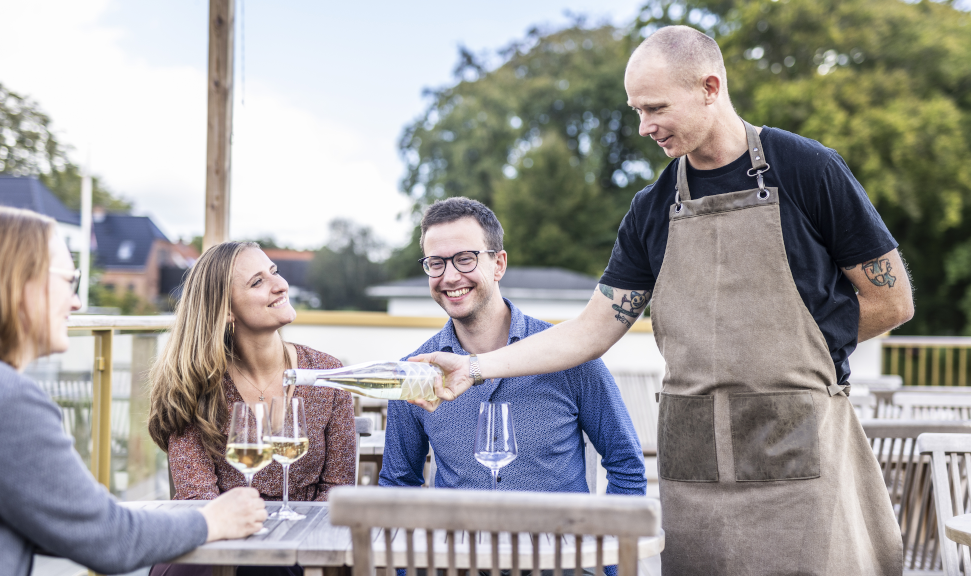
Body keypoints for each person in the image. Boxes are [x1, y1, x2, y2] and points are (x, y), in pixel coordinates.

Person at [411, 26, 915, 576]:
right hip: (695, 463)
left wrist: (798, 356)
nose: (644, 126)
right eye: (636, 110)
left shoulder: (806, 170)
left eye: (655, 108)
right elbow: (591, 330)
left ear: (709, 86)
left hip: (798, 446)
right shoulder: (653, 209)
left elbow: (891, 301)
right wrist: (477, 368)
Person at [0, 206, 266, 576]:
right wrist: (212, 521)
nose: (77, 302)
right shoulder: (11, 400)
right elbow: (108, 539)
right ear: (21, 282)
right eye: (69, 281)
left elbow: (67, 526)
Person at [378, 198, 646, 498]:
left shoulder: (570, 354)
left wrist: (606, 540)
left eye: (465, 258)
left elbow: (627, 466)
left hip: (559, 543)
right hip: (459, 543)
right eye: (436, 263)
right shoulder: (416, 374)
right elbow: (398, 485)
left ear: (499, 264)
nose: (450, 276)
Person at [147, 241, 358, 576]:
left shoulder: (325, 375)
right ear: (227, 310)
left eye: (273, 272)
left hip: (298, 544)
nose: (280, 285)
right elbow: (198, 500)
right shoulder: (197, 384)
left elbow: (338, 488)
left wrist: (293, 541)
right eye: (257, 282)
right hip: (217, 544)